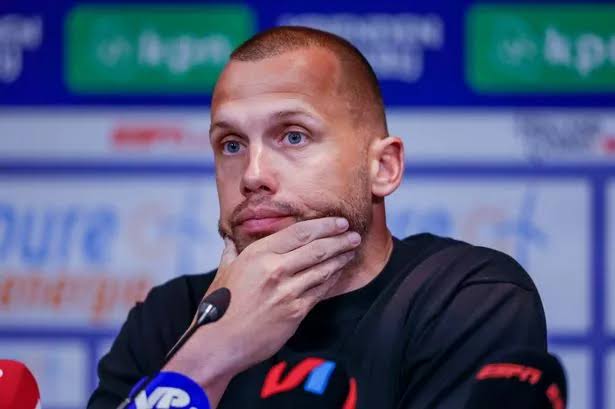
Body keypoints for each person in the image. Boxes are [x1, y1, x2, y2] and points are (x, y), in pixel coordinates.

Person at [88, 26, 546, 409]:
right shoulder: (169, 318)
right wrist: (206, 360)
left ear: (383, 168)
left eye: (293, 136)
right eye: (231, 144)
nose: (252, 175)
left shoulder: (465, 298)